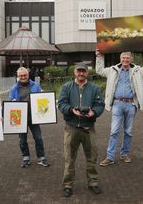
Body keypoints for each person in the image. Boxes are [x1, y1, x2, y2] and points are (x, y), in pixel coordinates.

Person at [96, 48, 143, 166]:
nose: (125, 60)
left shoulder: (137, 71)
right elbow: (99, 70)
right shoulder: (113, 70)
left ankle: (124, 154)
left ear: (131, 59)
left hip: (131, 104)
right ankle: (110, 157)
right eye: (123, 58)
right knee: (114, 131)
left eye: (127, 58)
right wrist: (99, 57)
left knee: (128, 131)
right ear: (120, 59)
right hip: (117, 104)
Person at [57, 62, 105, 197]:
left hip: (89, 128)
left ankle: (93, 183)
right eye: (79, 71)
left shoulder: (94, 88)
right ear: (75, 72)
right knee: (69, 158)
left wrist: (93, 112)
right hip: (71, 128)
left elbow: (100, 105)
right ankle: (67, 185)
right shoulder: (67, 87)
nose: (81, 73)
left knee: (92, 157)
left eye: (83, 71)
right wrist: (71, 110)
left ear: (87, 73)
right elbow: (61, 104)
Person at [9, 67, 50, 168]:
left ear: (28, 75)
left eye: (25, 75)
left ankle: (41, 158)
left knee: (38, 138)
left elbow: (42, 100)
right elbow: (10, 103)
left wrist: (43, 96)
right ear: (17, 76)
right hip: (21, 118)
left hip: (34, 117)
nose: (23, 77)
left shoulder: (35, 85)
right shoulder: (14, 88)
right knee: (22, 140)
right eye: (21, 75)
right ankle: (26, 158)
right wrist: (12, 103)